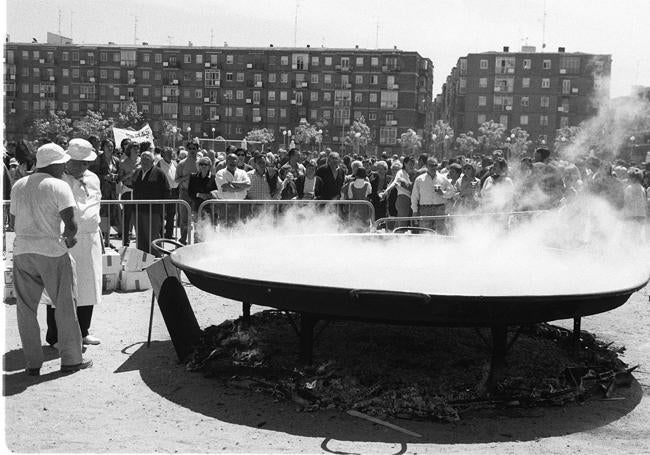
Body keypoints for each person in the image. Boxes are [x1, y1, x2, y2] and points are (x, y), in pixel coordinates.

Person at [10, 143, 91, 374]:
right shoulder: (59, 186)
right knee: (65, 306)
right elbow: (72, 226)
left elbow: (12, 221)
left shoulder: (18, 185)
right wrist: (67, 240)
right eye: (63, 162)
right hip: (52, 252)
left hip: (23, 252)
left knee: (25, 310)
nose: (65, 165)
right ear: (55, 165)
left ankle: (32, 364)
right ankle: (71, 360)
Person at [46, 139, 102, 347]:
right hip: (66, 240)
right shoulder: (58, 180)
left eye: (86, 163)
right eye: (79, 162)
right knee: (61, 290)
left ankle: (83, 331)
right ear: (68, 160)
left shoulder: (94, 179)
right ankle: (55, 336)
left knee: (88, 287)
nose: (83, 167)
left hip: (90, 240)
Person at [132, 151, 169, 254]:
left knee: (153, 237)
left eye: (147, 159)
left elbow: (166, 191)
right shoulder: (137, 172)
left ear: (153, 161)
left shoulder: (159, 173)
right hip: (138, 210)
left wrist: (162, 210)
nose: (144, 161)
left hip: (153, 211)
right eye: (142, 159)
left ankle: (156, 259)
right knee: (140, 237)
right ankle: (142, 259)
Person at [410, 157, 455, 232]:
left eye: (435, 165)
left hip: (440, 209)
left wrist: (443, 193)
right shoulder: (419, 179)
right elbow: (414, 196)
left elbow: (452, 192)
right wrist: (415, 211)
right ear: (426, 166)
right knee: (425, 233)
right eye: (431, 165)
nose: (433, 167)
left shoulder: (443, 178)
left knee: (441, 233)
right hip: (425, 209)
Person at [214, 153, 252, 226]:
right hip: (226, 206)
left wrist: (232, 183)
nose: (232, 162)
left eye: (234, 160)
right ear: (226, 161)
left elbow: (248, 185)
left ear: (237, 161)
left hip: (241, 205)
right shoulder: (220, 173)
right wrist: (241, 188)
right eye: (230, 160)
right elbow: (227, 187)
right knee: (225, 229)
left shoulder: (243, 172)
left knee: (241, 229)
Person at [174, 140, 199, 244]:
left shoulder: (201, 163)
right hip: (185, 193)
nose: (192, 150)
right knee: (184, 219)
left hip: (197, 194)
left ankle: (197, 241)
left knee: (197, 219)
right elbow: (176, 180)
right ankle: (183, 240)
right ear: (187, 150)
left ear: (198, 149)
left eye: (194, 148)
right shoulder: (182, 163)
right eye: (190, 148)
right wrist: (187, 177)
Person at [118, 141, 140, 246]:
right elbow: (120, 179)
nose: (136, 150)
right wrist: (130, 174)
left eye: (138, 148)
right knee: (127, 217)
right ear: (129, 150)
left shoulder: (142, 161)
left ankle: (140, 241)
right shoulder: (123, 162)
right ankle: (125, 241)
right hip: (127, 190)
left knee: (139, 217)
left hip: (138, 191)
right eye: (134, 148)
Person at [156, 147, 179, 239]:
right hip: (164, 192)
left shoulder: (174, 163)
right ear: (163, 154)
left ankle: (169, 234)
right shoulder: (159, 163)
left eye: (171, 153)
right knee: (162, 213)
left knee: (171, 214)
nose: (170, 155)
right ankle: (161, 233)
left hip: (174, 192)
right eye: (167, 153)